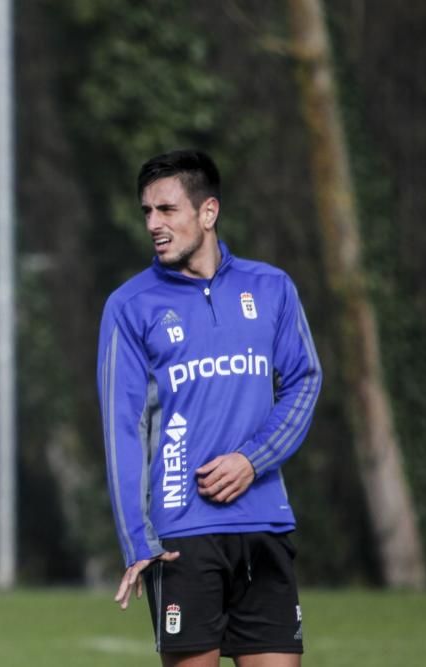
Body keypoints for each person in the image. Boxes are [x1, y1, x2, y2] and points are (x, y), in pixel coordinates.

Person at [96, 149, 321, 667]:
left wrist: (252, 460)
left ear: (208, 212)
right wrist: (137, 539)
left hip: (265, 524)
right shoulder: (129, 307)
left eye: (167, 209)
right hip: (181, 536)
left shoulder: (272, 288)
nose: (154, 223)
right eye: (147, 212)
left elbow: (305, 381)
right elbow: (121, 429)